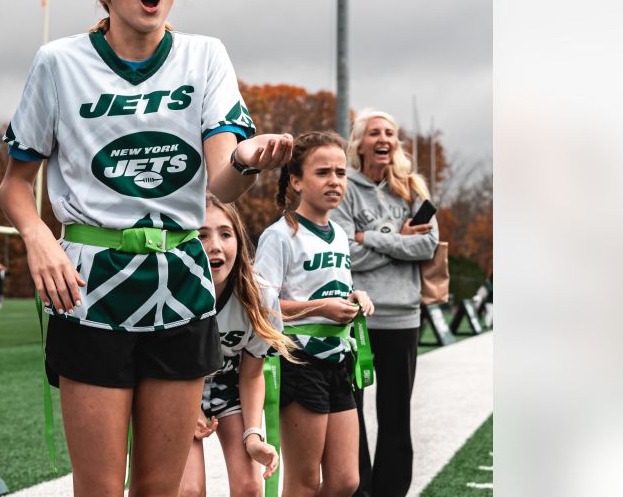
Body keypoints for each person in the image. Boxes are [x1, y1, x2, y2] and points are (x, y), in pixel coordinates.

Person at [0, 0, 294, 496]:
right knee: (101, 489)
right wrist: (38, 239)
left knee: (161, 489)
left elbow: (224, 186)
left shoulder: (205, 56)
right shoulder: (59, 62)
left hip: (180, 283)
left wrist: (249, 159)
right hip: (90, 285)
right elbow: (14, 185)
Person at [256, 131, 375, 497]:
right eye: (323, 172)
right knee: (304, 482)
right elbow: (262, 308)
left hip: (338, 362)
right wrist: (319, 308)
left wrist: (355, 295)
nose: (335, 181)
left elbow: (331, 287)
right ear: (295, 180)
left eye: (341, 172)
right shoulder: (278, 236)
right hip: (299, 362)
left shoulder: (339, 234)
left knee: (345, 481)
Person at [332, 110, 438, 497]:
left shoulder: (413, 188)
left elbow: (426, 245)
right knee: (350, 412)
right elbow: (344, 252)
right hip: (357, 317)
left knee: (396, 414)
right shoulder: (344, 188)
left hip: (403, 317)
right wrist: (397, 238)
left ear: (396, 143)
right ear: (359, 143)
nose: (383, 138)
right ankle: (359, 490)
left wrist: (368, 236)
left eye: (390, 133)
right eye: (374, 132)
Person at [180, 195, 296, 497]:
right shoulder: (170, 290)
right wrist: (189, 408)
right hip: (176, 388)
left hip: (229, 386)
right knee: (189, 490)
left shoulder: (257, 295)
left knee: (250, 487)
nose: (215, 245)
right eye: (202, 235)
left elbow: (252, 374)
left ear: (239, 241)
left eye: (225, 234)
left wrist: (253, 435)